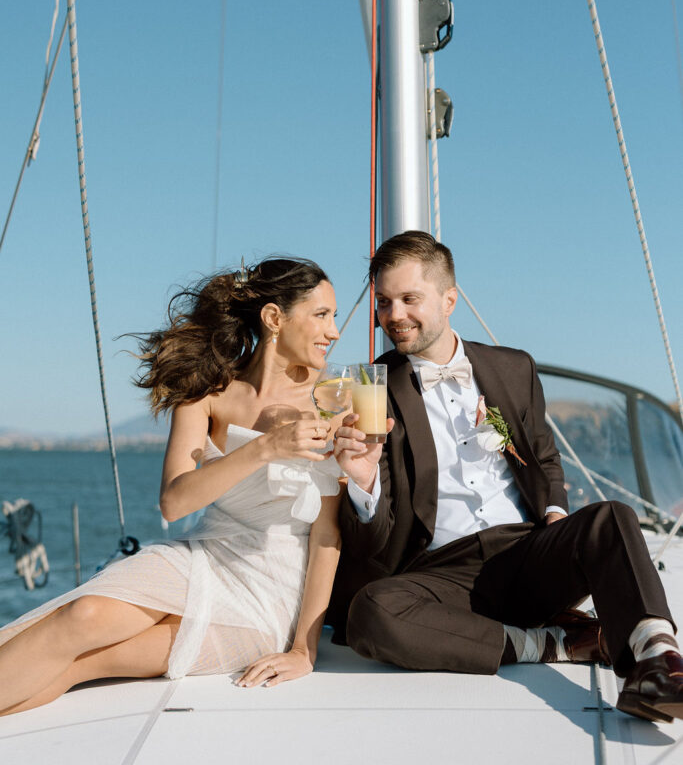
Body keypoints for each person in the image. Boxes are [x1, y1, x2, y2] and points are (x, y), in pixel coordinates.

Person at [331, 230, 683, 724]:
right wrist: (364, 482)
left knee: (611, 517)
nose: (394, 315)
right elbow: (376, 539)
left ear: (449, 298)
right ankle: (554, 642)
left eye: (410, 299)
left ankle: (659, 663)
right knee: (370, 613)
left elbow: (539, 455)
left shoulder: (512, 368)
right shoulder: (373, 386)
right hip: (441, 574)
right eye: (385, 302)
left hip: (526, 552)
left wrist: (557, 518)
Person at [0, 257, 343, 715]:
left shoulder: (334, 399)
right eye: (322, 315)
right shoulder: (207, 393)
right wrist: (265, 448)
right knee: (81, 616)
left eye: (333, 316)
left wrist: (304, 648)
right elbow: (175, 502)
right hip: (200, 555)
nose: (334, 331)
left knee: (83, 664)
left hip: (267, 594)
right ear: (274, 318)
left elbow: (327, 534)